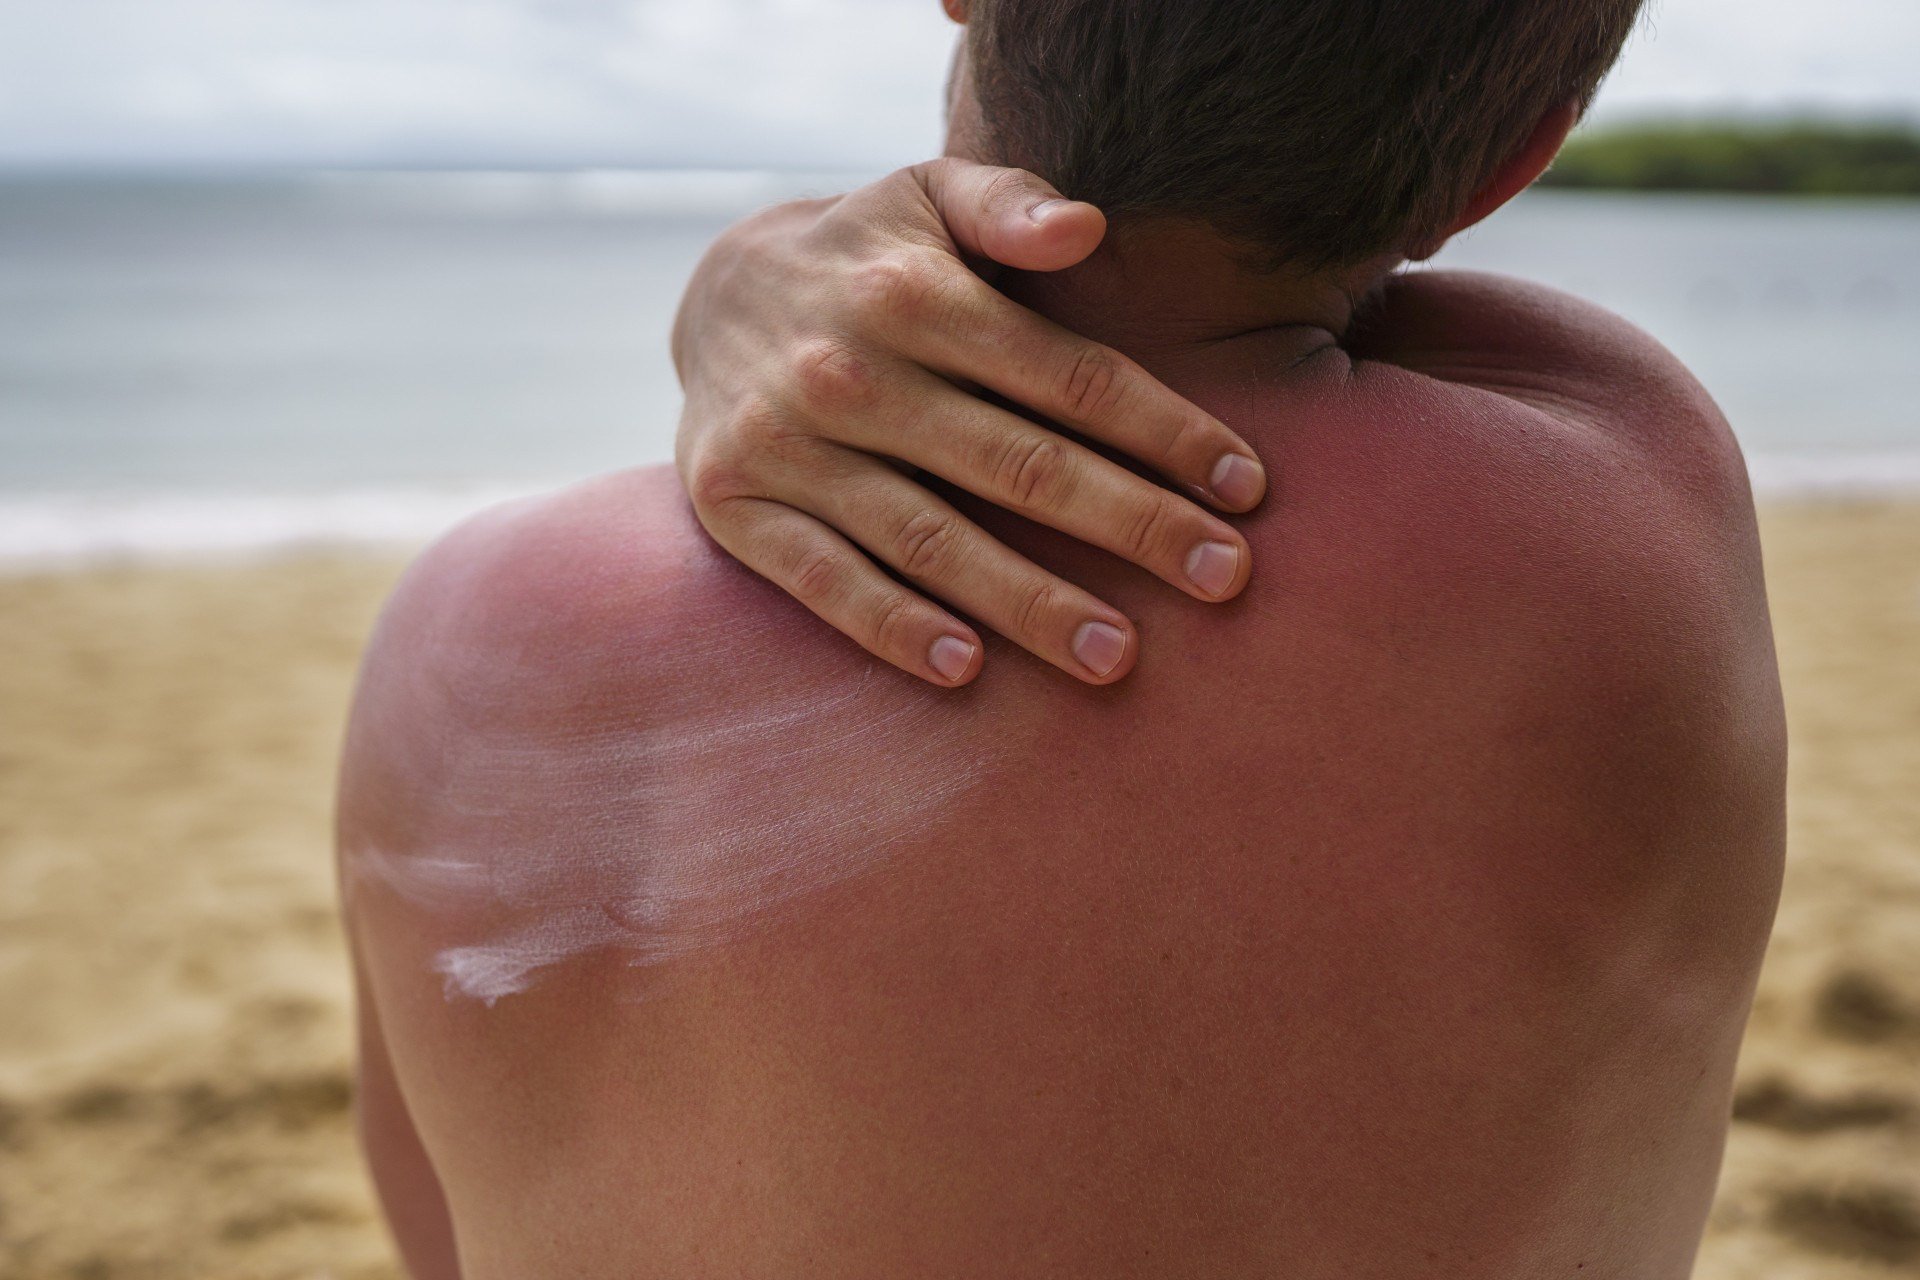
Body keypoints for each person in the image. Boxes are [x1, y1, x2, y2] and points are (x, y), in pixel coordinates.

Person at [337, 2, 1787, 1276]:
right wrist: (767, 264)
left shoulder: (477, 632)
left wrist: (747, 264)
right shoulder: (1620, 513)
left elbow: (441, 1230)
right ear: (1516, 162)